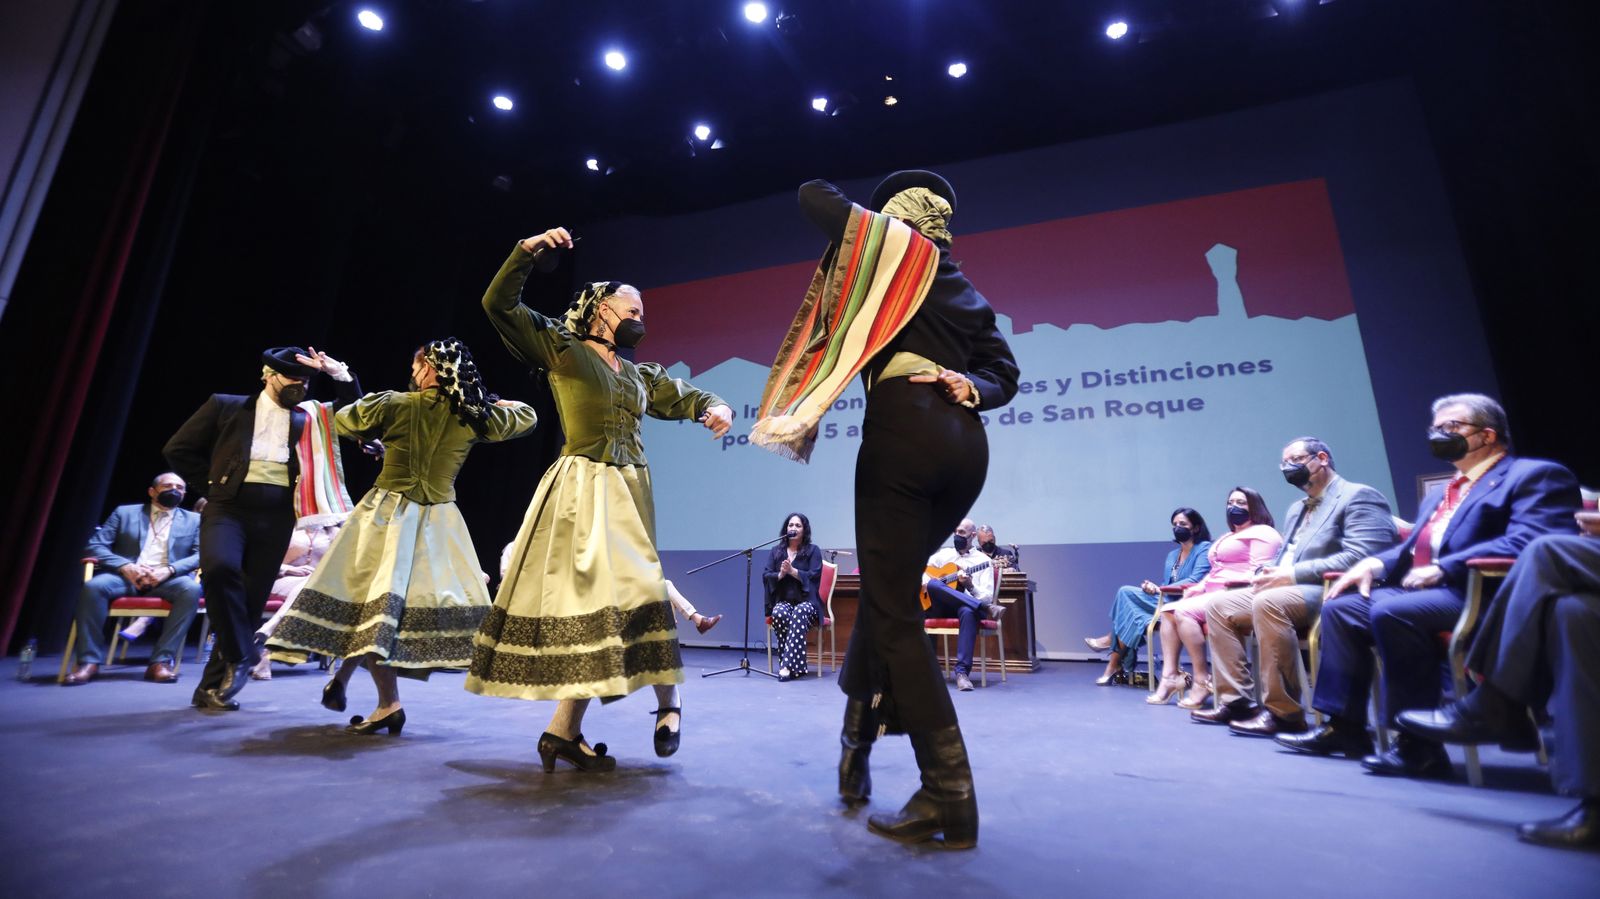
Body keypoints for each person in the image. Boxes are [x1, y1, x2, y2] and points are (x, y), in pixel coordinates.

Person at [752, 171, 1019, 848]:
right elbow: (1004, 373)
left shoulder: (895, 253)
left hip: (903, 435)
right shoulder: (965, 288)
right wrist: (972, 384)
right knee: (888, 596)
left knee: (894, 610)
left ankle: (948, 794)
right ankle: (855, 747)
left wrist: (873, 219)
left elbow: (813, 194)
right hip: (966, 448)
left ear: (900, 219)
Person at [465, 228, 733, 771]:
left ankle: (563, 731)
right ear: (601, 311)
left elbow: (680, 394)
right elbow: (499, 304)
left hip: (629, 488)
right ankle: (668, 704)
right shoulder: (560, 349)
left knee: (620, 598)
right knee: (614, 595)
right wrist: (528, 250)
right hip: (582, 487)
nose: (642, 315)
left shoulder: (636, 375)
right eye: (633, 306)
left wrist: (713, 403)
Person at [1279, 394, 1581, 778]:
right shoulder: (1442, 492)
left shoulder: (1533, 476)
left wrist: (1444, 566)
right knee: (1342, 607)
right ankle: (1344, 727)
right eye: (1436, 428)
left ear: (1488, 435)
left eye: (1451, 428)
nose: (1439, 435)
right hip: (1430, 593)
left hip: (1490, 596)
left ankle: (1416, 745)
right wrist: (1375, 561)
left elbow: (1533, 541)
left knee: (1393, 610)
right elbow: (1409, 550)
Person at [270, 338, 538, 734]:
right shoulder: (472, 416)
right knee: (384, 611)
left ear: (431, 368)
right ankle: (343, 682)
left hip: (389, 515)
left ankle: (387, 704)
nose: (412, 374)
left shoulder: (396, 404)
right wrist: (486, 400)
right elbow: (527, 417)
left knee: (374, 605)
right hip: (440, 524)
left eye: (417, 366)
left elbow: (345, 420)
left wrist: (387, 434)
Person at [163, 347, 361, 711]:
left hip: (278, 515)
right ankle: (244, 653)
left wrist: (340, 375)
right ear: (269, 375)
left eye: (304, 381)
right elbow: (178, 448)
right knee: (221, 570)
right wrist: (212, 487)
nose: (298, 386)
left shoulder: (307, 416)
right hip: (228, 508)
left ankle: (211, 689)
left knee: (251, 600)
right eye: (291, 378)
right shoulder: (227, 405)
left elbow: (356, 416)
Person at [1396, 518, 1600, 847]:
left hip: (1470, 586)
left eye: (1296, 459)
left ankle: (1495, 703)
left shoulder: (1532, 474)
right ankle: (1594, 805)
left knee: (1545, 551)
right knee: (1573, 611)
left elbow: (1525, 535)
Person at [1192, 438, 1397, 737]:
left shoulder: (1358, 496)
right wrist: (1267, 571)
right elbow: (1284, 555)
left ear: (1322, 458)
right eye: (1284, 463)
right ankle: (1236, 702)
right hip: (1289, 586)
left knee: (1269, 603)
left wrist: (1291, 574)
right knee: (1219, 605)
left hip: (1332, 589)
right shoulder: (1296, 509)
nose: (1288, 468)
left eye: (1296, 459)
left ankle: (1283, 713)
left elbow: (1364, 554)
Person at [64, 473, 202, 685]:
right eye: (167, 485)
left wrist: (170, 570)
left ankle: (160, 662)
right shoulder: (125, 513)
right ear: (152, 491)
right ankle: (89, 662)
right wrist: (125, 566)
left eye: (180, 487)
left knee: (191, 590)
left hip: (167, 579)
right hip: (125, 577)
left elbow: (200, 554)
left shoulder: (194, 520)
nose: (174, 490)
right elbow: (95, 546)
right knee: (93, 587)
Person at [1148, 488, 1281, 708]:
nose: (1234, 507)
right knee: (1168, 612)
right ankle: (1170, 676)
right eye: (1230, 502)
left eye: (1241, 502)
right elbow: (1215, 570)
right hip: (1212, 592)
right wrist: (1198, 588)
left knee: (1182, 611)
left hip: (1236, 594)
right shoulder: (1228, 536)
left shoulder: (1264, 533)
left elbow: (1260, 571)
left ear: (1255, 507)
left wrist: (1225, 588)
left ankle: (1201, 679)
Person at [1084, 507, 1212, 685]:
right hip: (1165, 601)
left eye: (1183, 524)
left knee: (1129, 614)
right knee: (1125, 593)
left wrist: (1159, 589)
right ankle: (1112, 663)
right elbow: (1167, 583)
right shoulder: (1172, 555)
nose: (1177, 527)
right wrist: (1152, 588)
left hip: (1188, 604)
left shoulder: (1204, 549)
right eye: (1174, 524)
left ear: (1196, 528)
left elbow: (1195, 579)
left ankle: (1111, 654)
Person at [920, 518, 1006, 692]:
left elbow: (987, 596)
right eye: (955, 531)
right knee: (934, 584)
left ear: (973, 536)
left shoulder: (984, 561)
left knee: (968, 611)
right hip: (942, 607)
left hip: (965, 608)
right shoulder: (943, 555)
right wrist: (924, 581)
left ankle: (962, 673)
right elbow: (920, 568)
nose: (956, 535)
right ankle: (983, 609)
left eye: (962, 533)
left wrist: (970, 586)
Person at [249, 520, 341, 679]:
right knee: (309, 588)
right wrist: (289, 569)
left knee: (310, 586)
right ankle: (269, 650)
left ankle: (267, 649)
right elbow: (263, 561)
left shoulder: (333, 533)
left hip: (316, 588)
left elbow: (341, 567)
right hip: (282, 581)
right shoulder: (285, 527)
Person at [763, 512, 825, 680]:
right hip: (785, 600)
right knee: (780, 613)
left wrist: (793, 571)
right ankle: (796, 667)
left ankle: (785, 666)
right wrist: (781, 574)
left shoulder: (813, 551)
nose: (793, 528)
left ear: (804, 530)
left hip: (808, 602)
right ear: (786, 529)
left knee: (799, 612)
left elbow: (814, 576)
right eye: (791, 525)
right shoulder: (776, 551)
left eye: (798, 525)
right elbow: (767, 575)